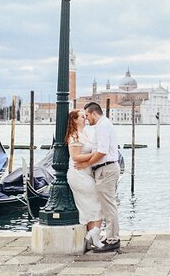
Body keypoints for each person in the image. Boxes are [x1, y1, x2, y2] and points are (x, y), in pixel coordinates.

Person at [76, 102, 121, 253]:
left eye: (87, 115)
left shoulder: (102, 126)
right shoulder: (104, 125)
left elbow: (101, 152)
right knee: (107, 206)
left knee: (108, 206)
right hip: (106, 169)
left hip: (106, 169)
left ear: (94, 113)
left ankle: (113, 240)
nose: (87, 119)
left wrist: (86, 163)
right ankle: (111, 237)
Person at [65, 109, 104, 251]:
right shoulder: (75, 136)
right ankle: (93, 236)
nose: (85, 118)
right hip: (78, 174)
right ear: (75, 120)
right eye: (82, 116)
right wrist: (96, 154)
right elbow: (75, 157)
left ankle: (92, 238)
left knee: (91, 206)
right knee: (97, 204)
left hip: (85, 173)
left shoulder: (85, 134)